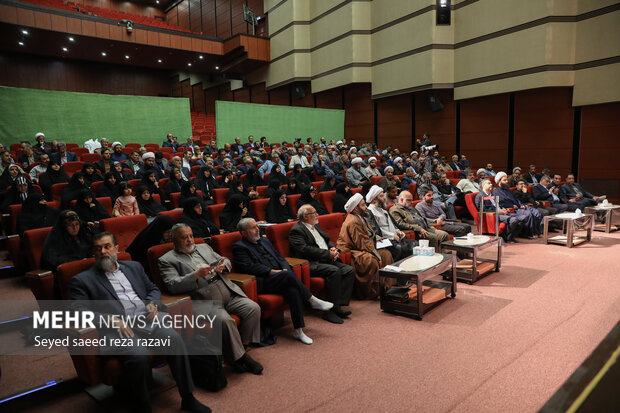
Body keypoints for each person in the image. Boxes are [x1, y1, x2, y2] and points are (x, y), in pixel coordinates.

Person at [69, 232, 211, 413]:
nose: (103, 251)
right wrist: (110, 320)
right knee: (139, 355)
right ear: (93, 253)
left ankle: (188, 397)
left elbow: (152, 289)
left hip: (146, 320)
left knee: (174, 339)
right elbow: (77, 311)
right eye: (98, 248)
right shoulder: (83, 280)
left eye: (107, 247)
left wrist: (152, 303)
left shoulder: (134, 267)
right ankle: (143, 405)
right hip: (118, 330)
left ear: (116, 249)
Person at [157, 223, 263, 374]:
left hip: (227, 290)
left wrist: (223, 266)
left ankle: (243, 347)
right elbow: (172, 285)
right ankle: (241, 359)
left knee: (253, 308)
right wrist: (195, 275)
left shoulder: (204, 247)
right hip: (203, 299)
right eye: (184, 237)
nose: (189, 240)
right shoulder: (166, 260)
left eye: (191, 236)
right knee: (226, 321)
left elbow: (225, 259)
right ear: (173, 239)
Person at [232, 218, 333, 345]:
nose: (257, 229)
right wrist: (272, 272)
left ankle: (298, 330)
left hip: (280, 277)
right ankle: (311, 299)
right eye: (252, 228)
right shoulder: (239, 247)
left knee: (293, 291)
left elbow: (279, 257)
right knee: (288, 276)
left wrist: (285, 268)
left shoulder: (264, 240)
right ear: (244, 233)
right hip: (263, 281)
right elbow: (249, 267)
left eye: (256, 226)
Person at [289, 204, 355, 323]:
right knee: (335, 271)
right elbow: (305, 250)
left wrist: (333, 249)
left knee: (349, 270)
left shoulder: (315, 225)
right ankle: (328, 312)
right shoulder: (296, 230)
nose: (317, 215)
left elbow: (327, 239)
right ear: (305, 216)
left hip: (326, 258)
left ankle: (337, 306)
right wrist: (327, 254)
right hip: (311, 263)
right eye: (314, 213)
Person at [336, 193, 393, 299]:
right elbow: (362, 243)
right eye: (363, 205)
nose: (366, 207)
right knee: (371, 260)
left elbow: (369, 235)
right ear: (356, 208)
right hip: (352, 250)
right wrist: (376, 255)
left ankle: (386, 287)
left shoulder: (361, 217)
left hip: (364, 247)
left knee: (386, 254)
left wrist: (379, 239)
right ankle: (370, 291)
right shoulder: (353, 221)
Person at [365, 185, 416, 261]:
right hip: (384, 239)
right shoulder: (370, 212)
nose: (384, 198)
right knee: (400, 249)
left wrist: (398, 232)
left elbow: (393, 224)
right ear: (375, 199)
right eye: (381, 196)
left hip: (395, 237)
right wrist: (393, 236)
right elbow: (376, 231)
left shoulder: (383, 210)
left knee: (415, 244)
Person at [475, 179, 527, 244]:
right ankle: (507, 238)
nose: (491, 184)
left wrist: (503, 209)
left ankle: (510, 236)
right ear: (483, 185)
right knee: (514, 220)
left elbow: (498, 205)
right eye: (489, 183)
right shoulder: (480, 196)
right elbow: (483, 209)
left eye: (491, 183)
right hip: (493, 215)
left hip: (501, 212)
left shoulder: (492, 194)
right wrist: (498, 212)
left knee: (523, 217)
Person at [494, 172, 543, 238]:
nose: (507, 181)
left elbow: (516, 199)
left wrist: (520, 205)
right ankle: (529, 233)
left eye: (506, 179)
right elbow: (500, 203)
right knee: (528, 214)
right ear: (499, 181)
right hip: (512, 209)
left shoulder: (508, 190)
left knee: (537, 212)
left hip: (518, 206)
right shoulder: (496, 192)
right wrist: (512, 206)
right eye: (504, 180)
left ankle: (537, 231)